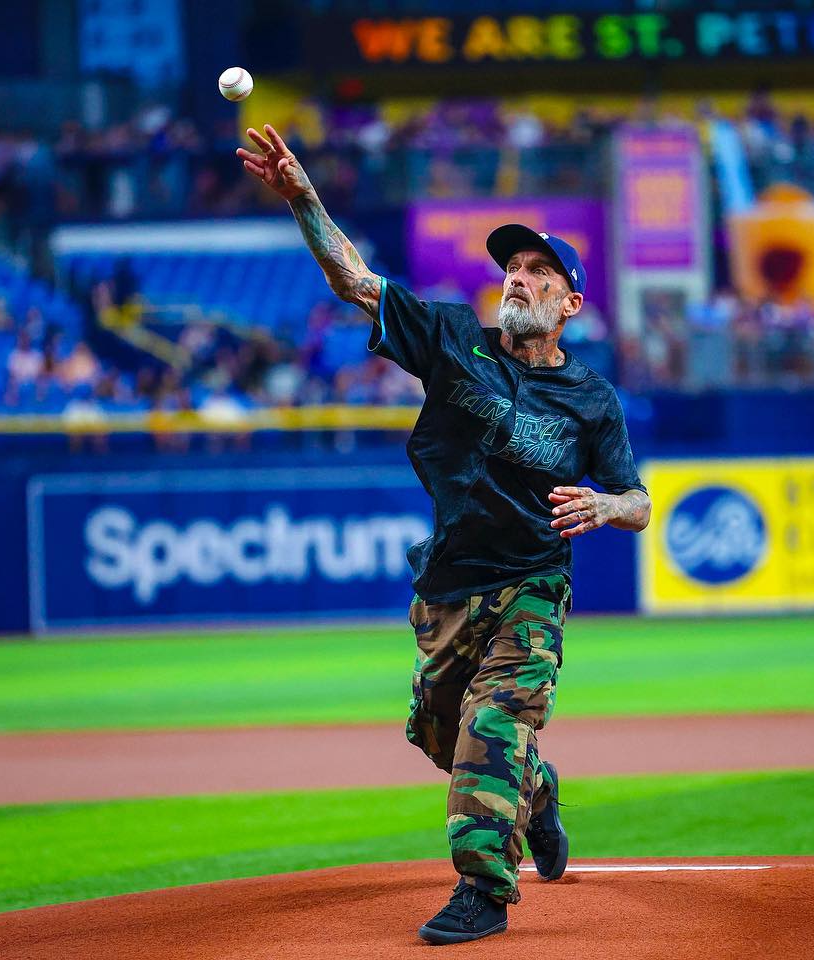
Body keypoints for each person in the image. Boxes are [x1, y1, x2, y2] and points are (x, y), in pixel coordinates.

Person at [238, 123, 652, 945]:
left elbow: (637, 499)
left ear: (570, 303)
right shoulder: (456, 340)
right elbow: (357, 281)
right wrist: (303, 198)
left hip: (534, 585)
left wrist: (606, 508)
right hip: (448, 589)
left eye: (539, 271)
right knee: (441, 734)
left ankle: (484, 893)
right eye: (512, 267)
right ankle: (536, 791)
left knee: (493, 728)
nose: (519, 278)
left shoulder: (592, 400)